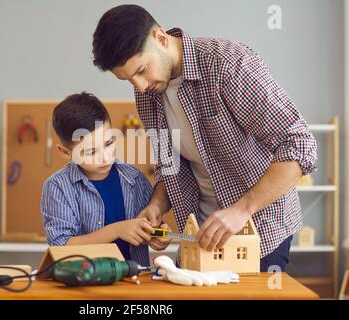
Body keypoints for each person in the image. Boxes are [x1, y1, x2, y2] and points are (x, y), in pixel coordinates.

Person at [92, 5, 318, 271]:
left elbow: (300, 145)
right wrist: (155, 207)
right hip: (199, 236)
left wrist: (241, 210)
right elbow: (170, 166)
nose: (140, 86)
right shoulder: (148, 95)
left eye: (141, 71)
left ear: (161, 38)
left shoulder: (228, 65)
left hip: (258, 233)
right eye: (128, 80)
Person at [40, 92, 171, 266]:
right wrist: (116, 230)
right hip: (85, 284)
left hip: (134, 283)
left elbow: (150, 224)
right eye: (91, 151)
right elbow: (61, 246)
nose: (105, 157)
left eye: (109, 143)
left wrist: (158, 235)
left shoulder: (133, 177)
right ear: (65, 152)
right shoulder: (58, 187)